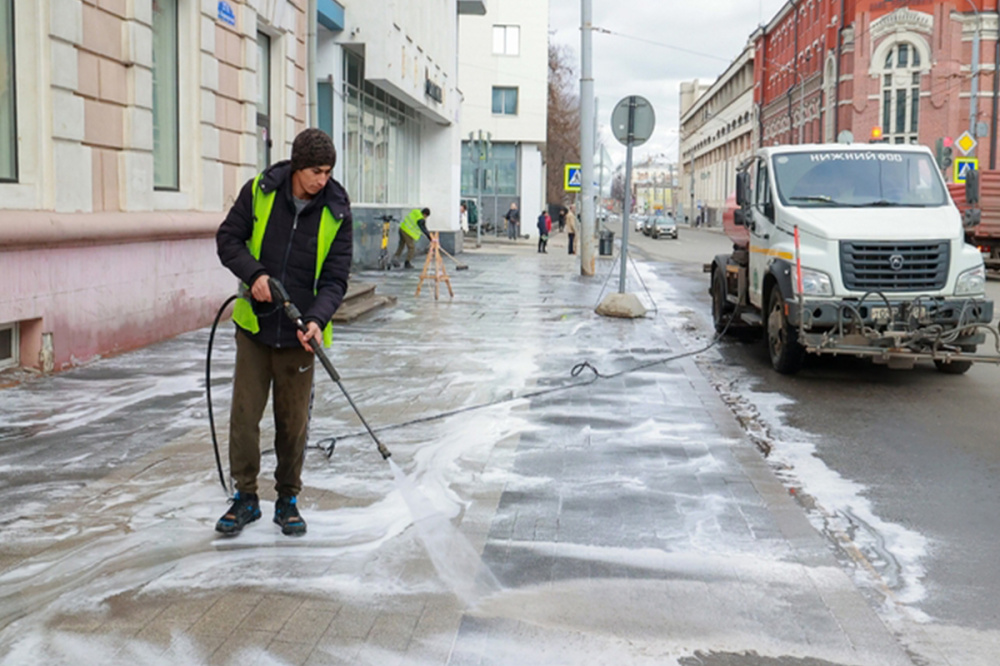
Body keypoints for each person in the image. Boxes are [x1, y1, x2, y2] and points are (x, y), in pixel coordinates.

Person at [215, 128, 352, 537]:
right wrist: (254, 273)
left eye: (327, 172)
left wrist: (317, 319)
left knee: (292, 424)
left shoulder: (337, 211)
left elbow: (335, 280)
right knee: (244, 418)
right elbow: (228, 240)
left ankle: (288, 498)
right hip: (255, 328)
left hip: (300, 336)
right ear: (296, 166)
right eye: (315, 171)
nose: (322, 180)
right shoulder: (259, 192)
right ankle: (245, 498)